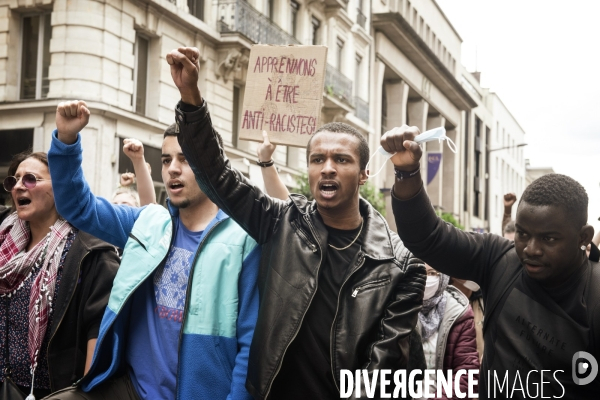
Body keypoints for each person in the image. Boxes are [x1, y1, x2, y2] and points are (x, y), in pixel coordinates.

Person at [167, 46, 426, 399]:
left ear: (364, 173)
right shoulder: (279, 221)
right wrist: (191, 97)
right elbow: (217, 175)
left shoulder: (401, 266)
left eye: (342, 159)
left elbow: (383, 369)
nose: (328, 167)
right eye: (318, 159)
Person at [44, 100, 260, 400]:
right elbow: (77, 207)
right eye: (167, 159)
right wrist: (66, 141)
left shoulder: (244, 239)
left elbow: (251, 343)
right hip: (132, 390)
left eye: (185, 159)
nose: (172, 169)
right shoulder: (148, 221)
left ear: (212, 164)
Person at [384, 125, 599, 398]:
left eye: (549, 239)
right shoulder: (500, 259)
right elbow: (427, 237)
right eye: (522, 234)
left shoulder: (595, 296)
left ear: (583, 236)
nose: (531, 249)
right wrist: (407, 172)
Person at [0, 151, 118, 398]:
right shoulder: (4, 239)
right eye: (14, 180)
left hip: (51, 393)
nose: (19, 186)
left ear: (60, 188)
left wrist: (82, 395)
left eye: (31, 179)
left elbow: (98, 331)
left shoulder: (89, 251)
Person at [418, 265, 479, 399]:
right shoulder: (396, 307)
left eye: (433, 273)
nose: (427, 279)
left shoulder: (458, 312)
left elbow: (467, 372)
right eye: (422, 272)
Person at [118, 138, 156, 206]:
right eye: (114, 204)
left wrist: (139, 160)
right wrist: (123, 187)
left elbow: (148, 205)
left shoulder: (144, 213)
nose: (118, 207)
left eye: (125, 205)